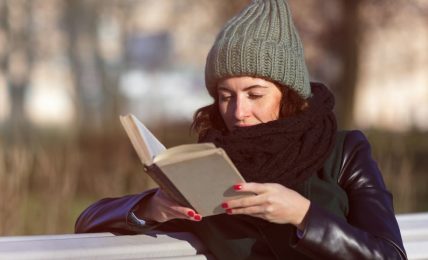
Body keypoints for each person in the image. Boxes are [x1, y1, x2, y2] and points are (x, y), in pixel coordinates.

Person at [75, 0, 407, 259]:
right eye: (225, 96)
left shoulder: (344, 153)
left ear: (287, 93)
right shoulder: (206, 168)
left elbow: (390, 254)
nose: (238, 112)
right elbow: (87, 221)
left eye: (254, 94)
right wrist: (151, 208)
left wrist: (303, 215)